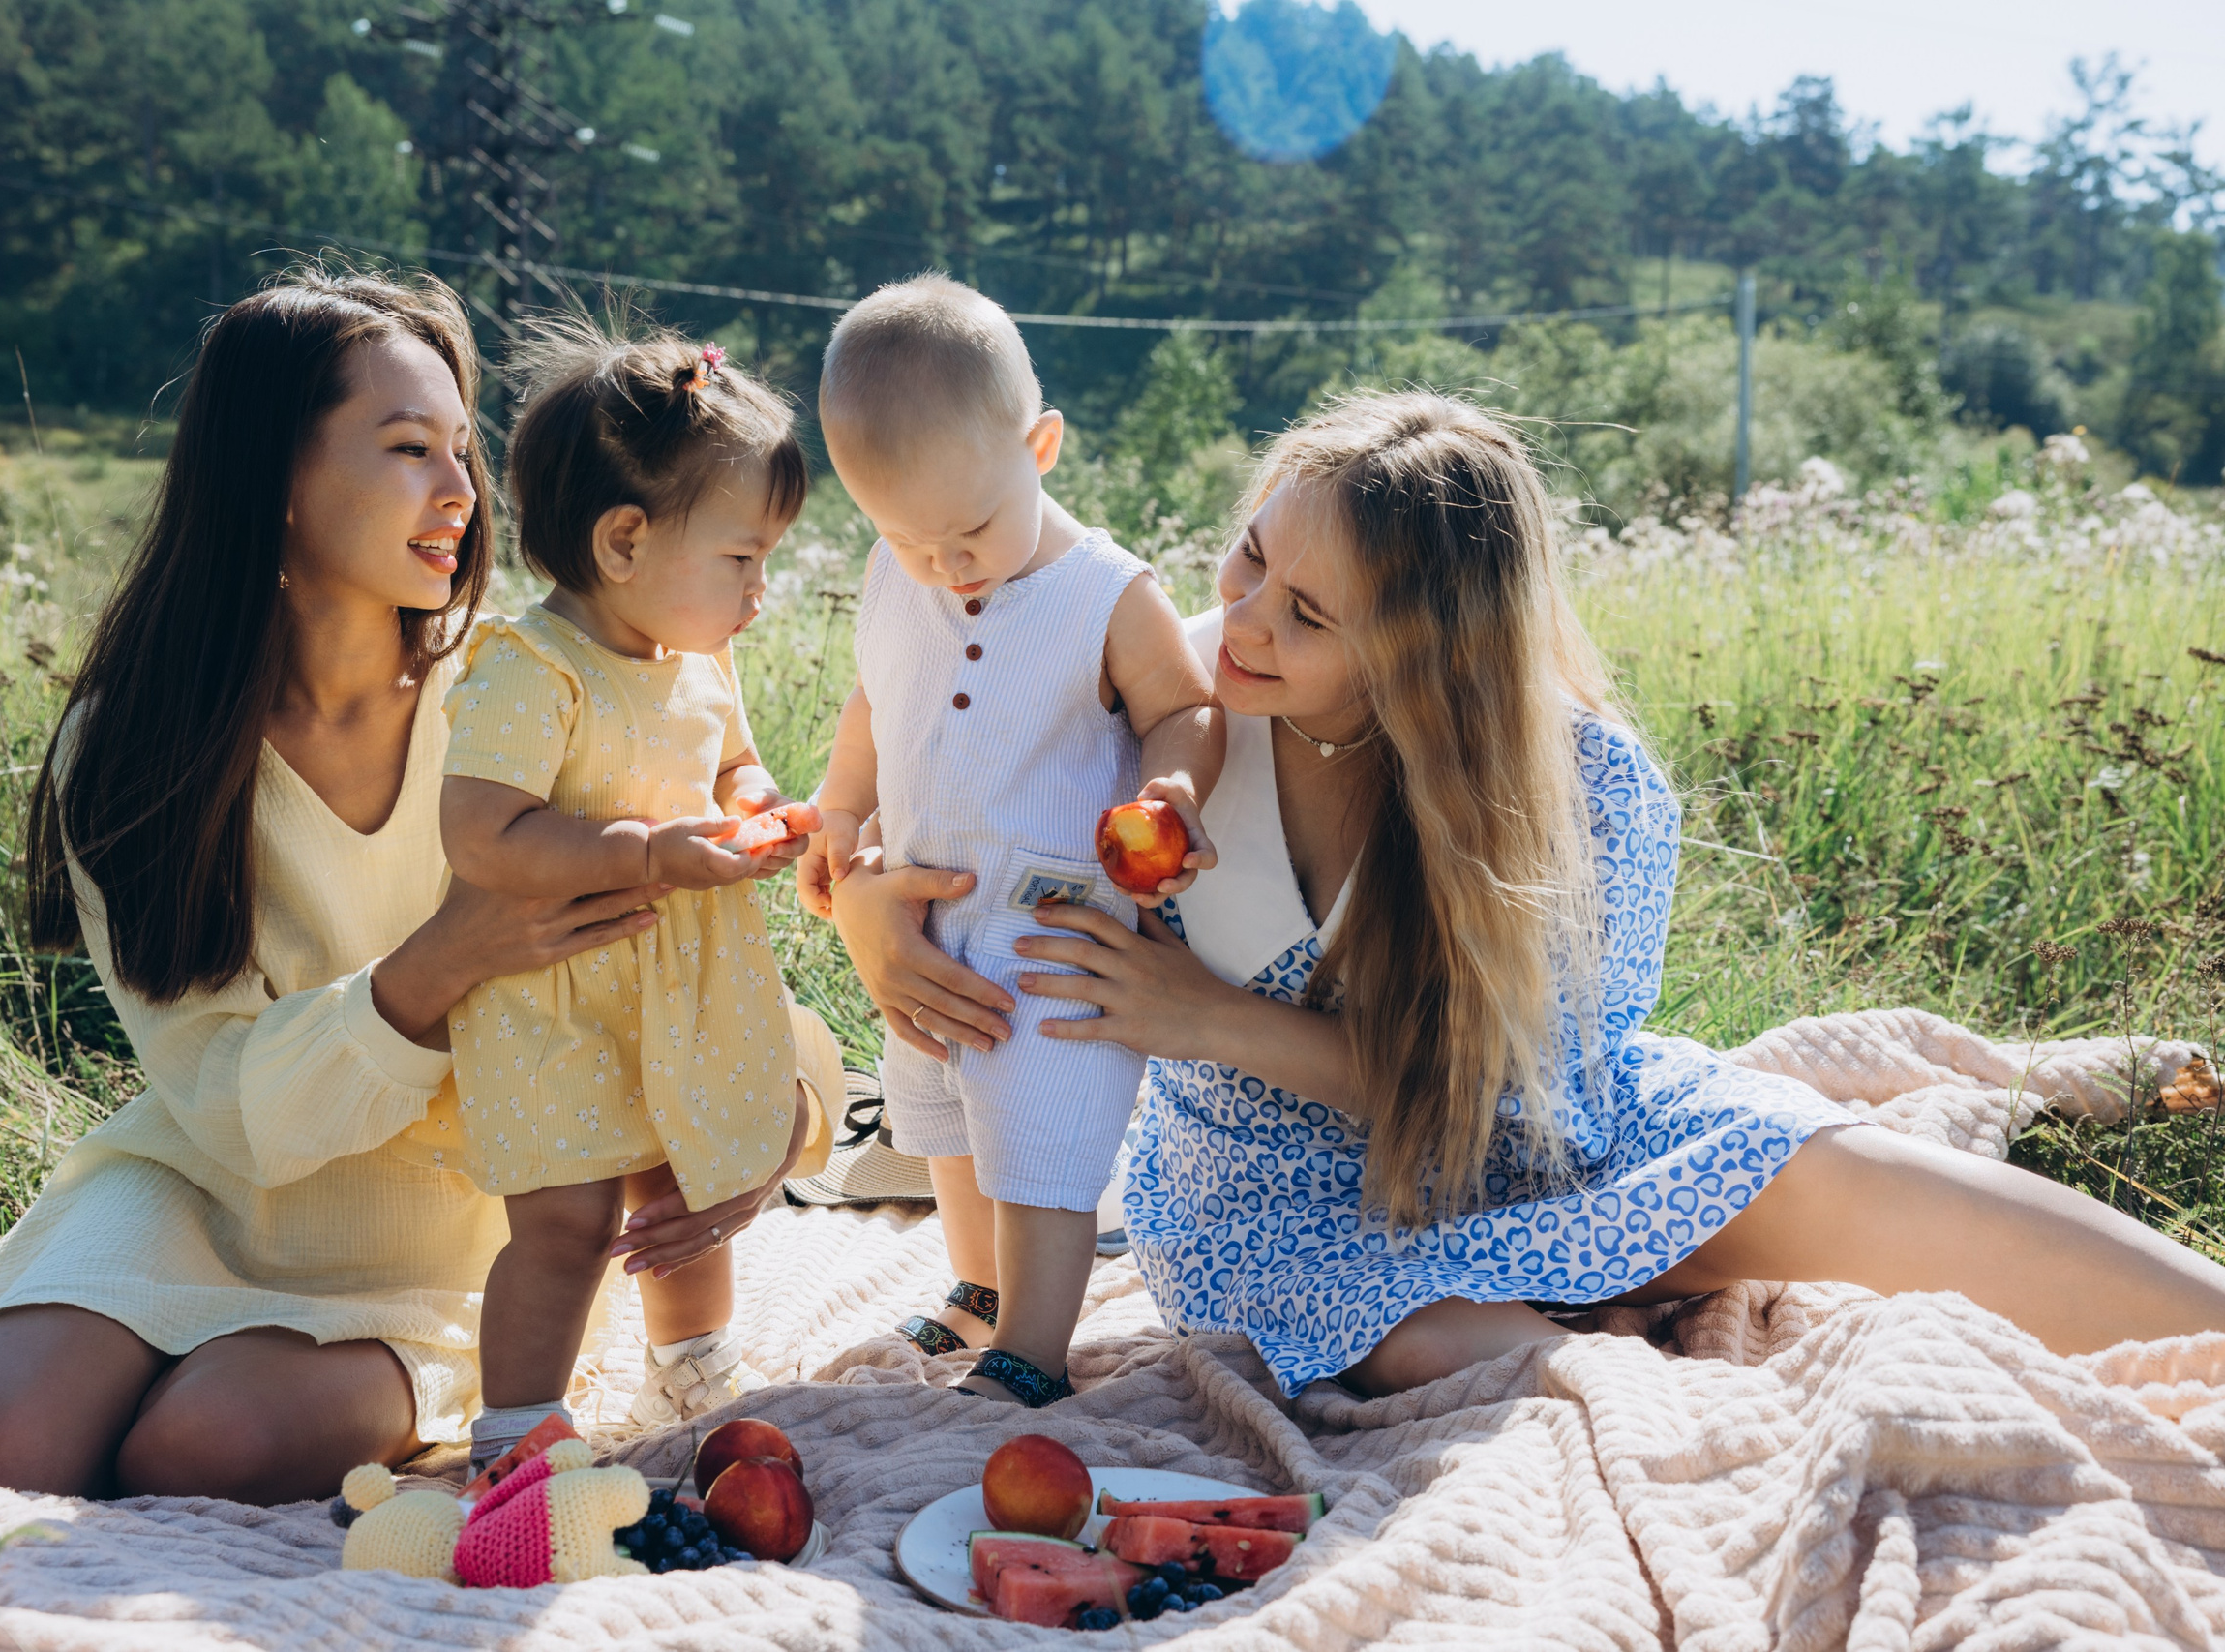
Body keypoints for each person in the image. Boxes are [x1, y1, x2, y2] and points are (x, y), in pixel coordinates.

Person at [828, 389, 2225, 1401]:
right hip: (1270, 1201)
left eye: (1311, 614)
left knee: (1867, 1181)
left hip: (1544, 1141)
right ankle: (1745, 1411)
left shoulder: (1581, 789)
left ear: (1431, 659)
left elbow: (1516, 1112)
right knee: (1478, 1360)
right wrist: (867, 909)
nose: (1244, 621)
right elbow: (928, 815)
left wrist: (1205, 1013)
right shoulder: (1157, 690)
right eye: (1253, 552)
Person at [0, 272, 828, 1503]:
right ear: (275, 480)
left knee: (203, 1449)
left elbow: (683, 952)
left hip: (462, 1220)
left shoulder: (523, 698)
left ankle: (417, 1385)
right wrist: (446, 958)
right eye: (409, 449)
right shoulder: (137, 742)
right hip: (209, 1183)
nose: (460, 493)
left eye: (463, 450)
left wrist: (787, 1102)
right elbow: (222, 1101)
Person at [797, 276, 1221, 1408]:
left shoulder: (1103, 594)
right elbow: (872, 706)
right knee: (940, 1114)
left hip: (1055, 934)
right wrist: (839, 817)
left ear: (1040, 445)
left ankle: (1033, 1348)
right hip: (933, 921)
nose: (948, 566)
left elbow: (1185, 706)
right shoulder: (903, 573)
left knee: (1042, 1144)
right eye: (907, 537)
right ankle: (977, 1289)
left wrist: (1172, 794)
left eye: (973, 529)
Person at [438, 319, 820, 1465]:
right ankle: (516, 1431)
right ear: (622, 543)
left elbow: (732, 763)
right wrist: (652, 853)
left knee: (685, 1174)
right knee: (565, 1219)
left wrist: (765, 806)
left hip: (683, 981)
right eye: (741, 559)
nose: (759, 591)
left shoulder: (697, 657)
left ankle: (689, 1365)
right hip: (557, 991)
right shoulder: (530, 667)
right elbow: (484, 834)